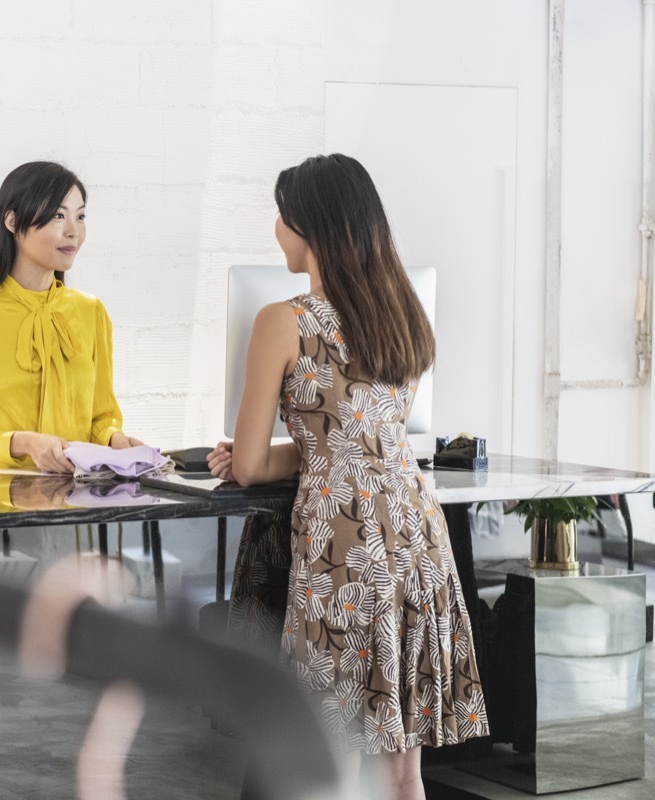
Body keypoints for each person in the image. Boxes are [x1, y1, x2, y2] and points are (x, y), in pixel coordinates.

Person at [208, 154, 488, 800]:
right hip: (416, 535)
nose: (277, 231)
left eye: (283, 217)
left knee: (316, 752)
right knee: (402, 772)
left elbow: (253, 465)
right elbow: (353, 442)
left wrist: (241, 457)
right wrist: (287, 452)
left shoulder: (283, 320)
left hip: (344, 547)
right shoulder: (403, 313)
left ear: (311, 225)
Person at [0, 161, 142, 473]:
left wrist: (115, 440)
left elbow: (101, 417)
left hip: (79, 508)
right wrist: (24, 442)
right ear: (12, 221)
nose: (73, 231)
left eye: (80, 216)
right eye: (59, 215)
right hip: (2, 507)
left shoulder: (91, 312)